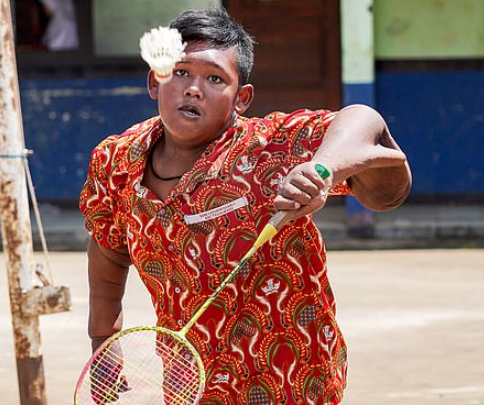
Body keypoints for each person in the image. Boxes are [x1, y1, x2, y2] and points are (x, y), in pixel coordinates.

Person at [79, 7, 411, 405]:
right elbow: (108, 249)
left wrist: (322, 168)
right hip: (192, 382)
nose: (193, 89)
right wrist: (103, 341)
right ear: (155, 80)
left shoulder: (272, 149)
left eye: (215, 79)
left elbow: (365, 124)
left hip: (295, 379)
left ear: (242, 99)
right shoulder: (114, 162)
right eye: (181, 72)